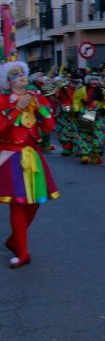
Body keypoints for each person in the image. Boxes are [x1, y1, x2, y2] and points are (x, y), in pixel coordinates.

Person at [0, 61, 59, 268]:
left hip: (33, 156)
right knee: (18, 203)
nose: (20, 77)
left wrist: (41, 107)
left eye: (22, 73)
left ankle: (15, 240)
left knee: (34, 202)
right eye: (15, 75)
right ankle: (23, 253)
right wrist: (17, 108)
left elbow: (50, 127)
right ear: (8, 81)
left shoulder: (37, 98)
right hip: (11, 156)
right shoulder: (3, 100)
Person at [72, 73, 105, 164]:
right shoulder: (82, 90)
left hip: (99, 115)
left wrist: (104, 109)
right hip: (87, 113)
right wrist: (77, 110)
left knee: (99, 136)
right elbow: (76, 101)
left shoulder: (103, 90)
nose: (94, 82)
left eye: (95, 80)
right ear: (88, 81)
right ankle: (84, 155)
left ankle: (96, 155)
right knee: (85, 135)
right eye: (92, 80)